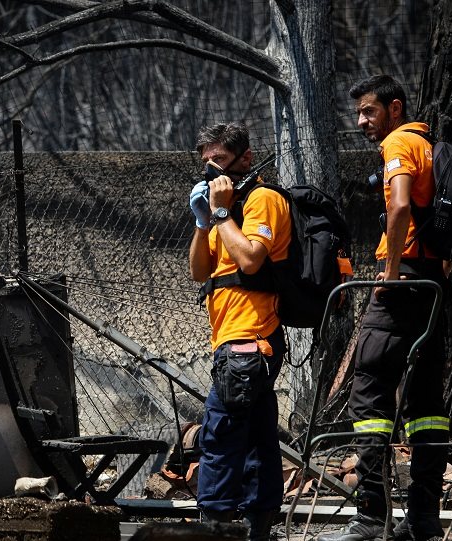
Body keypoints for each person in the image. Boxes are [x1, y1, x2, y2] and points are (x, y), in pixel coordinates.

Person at [317, 75, 450, 541]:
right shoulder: (431, 146)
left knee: (370, 393)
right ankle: (423, 519)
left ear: (394, 108)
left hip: (402, 284)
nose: (361, 121)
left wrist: (390, 272)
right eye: (358, 113)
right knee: (427, 406)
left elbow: (398, 207)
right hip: (432, 287)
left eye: (368, 111)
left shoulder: (398, 142)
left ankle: (372, 516)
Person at [188, 122, 291, 541]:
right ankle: (259, 527)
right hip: (232, 341)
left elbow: (250, 260)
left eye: (219, 160)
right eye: (206, 162)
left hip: (250, 340)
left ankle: (213, 528)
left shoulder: (262, 200)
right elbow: (200, 273)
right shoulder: (225, 210)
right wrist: (203, 222)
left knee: (219, 439)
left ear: (245, 159)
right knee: (258, 439)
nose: (211, 170)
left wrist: (221, 212)